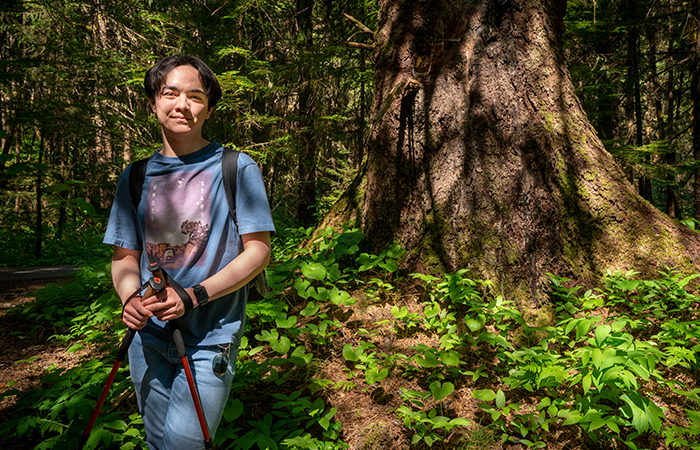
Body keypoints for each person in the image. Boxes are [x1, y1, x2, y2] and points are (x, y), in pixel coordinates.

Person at [103, 54, 274, 450]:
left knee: (184, 445)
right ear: (153, 102)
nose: (182, 104)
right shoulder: (136, 176)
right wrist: (129, 297)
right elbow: (125, 257)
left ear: (209, 108)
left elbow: (258, 252)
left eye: (195, 97)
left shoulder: (235, 167)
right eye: (171, 93)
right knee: (156, 442)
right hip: (148, 339)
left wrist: (194, 295)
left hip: (211, 338)